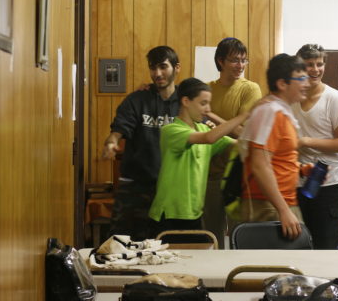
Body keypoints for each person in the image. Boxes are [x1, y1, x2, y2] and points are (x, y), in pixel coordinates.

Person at [148, 78, 250, 232]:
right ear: (185, 101)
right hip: (170, 214)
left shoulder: (203, 129)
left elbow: (241, 142)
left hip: (194, 213)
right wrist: (244, 116)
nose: (208, 109)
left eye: (209, 104)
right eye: (203, 103)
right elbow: (208, 138)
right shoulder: (171, 130)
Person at [102, 46, 180, 240]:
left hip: (172, 189)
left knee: (168, 245)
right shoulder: (137, 99)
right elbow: (119, 129)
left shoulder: (186, 101)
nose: (157, 73)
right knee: (121, 243)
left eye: (163, 67)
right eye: (153, 68)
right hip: (136, 187)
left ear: (176, 68)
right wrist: (111, 142)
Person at [239, 53, 309, 239]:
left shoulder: (280, 111)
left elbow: (275, 159)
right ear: (282, 84)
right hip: (269, 206)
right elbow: (259, 165)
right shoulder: (270, 112)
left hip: (279, 203)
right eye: (301, 78)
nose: (307, 84)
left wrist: (300, 170)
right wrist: (283, 210)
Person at [292, 44, 338, 249]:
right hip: (296, 181)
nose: (315, 69)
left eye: (319, 64)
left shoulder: (334, 98)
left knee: (325, 246)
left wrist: (305, 141)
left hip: (328, 184)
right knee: (297, 245)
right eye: (309, 64)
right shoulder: (292, 97)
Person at [204, 37, 262, 246]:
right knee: (211, 237)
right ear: (221, 61)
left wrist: (212, 118)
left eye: (244, 60)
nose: (240, 65)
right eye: (235, 60)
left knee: (240, 236)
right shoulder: (206, 89)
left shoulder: (250, 89)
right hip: (209, 171)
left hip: (239, 172)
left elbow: (243, 134)